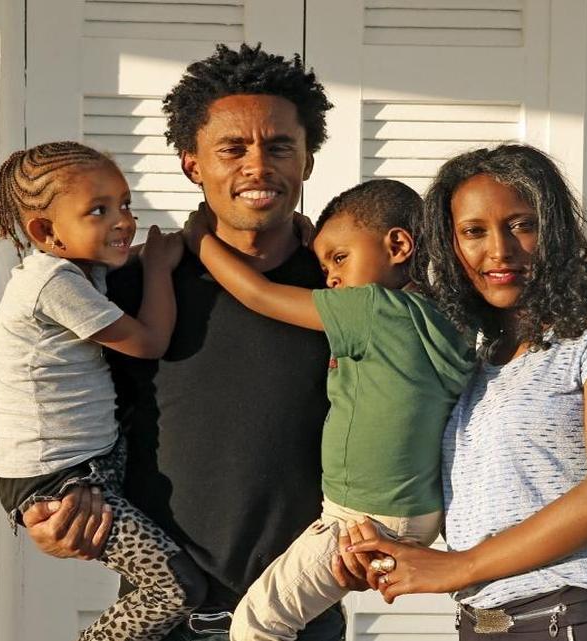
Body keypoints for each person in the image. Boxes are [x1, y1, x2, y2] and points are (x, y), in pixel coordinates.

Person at [21, 44, 343, 640]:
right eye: (232, 149)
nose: (257, 165)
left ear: (307, 159)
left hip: (302, 620)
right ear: (192, 162)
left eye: (279, 146)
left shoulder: (342, 292)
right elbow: (47, 405)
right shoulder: (128, 289)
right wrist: (46, 515)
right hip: (168, 618)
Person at [341, 144, 587, 640]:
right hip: (484, 625)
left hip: (583, 616)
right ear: (451, 246)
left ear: (556, 232)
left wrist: (456, 567)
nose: (499, 251)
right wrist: (391, 552)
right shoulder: (473, 361)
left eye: (522, 224)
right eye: (474, 231)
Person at [185, 179, 476, 641]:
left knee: (259, 623)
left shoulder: (372, 309)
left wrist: (199, 236)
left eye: (339, 259)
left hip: (362, 516)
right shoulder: (442, 318)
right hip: (411, 513)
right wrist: (318, 239)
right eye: (325, 267)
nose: (332, 278)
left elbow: (258, 294)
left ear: (399, 245)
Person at [0, 141, 206, 641]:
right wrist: (157, 269)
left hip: (91, 458)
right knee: (174, 588)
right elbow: (148, 342)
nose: (122, 221)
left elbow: (161, 249)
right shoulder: (52, 283)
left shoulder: (83, 268)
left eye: (124, 204)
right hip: (56, 478)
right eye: (99, 211)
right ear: (46, 232)